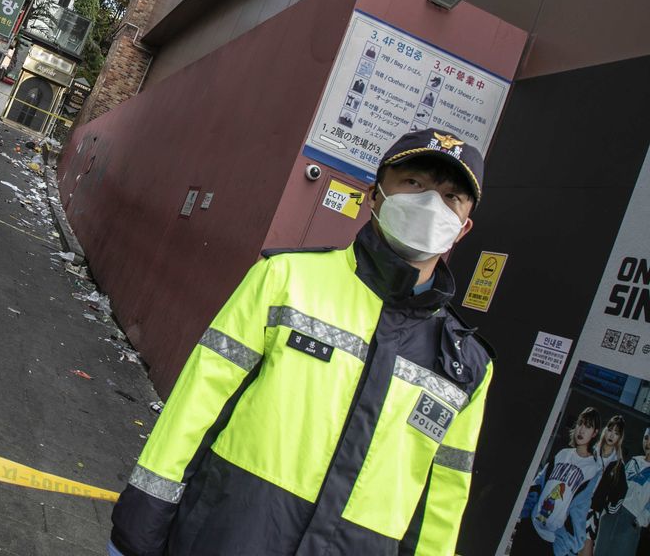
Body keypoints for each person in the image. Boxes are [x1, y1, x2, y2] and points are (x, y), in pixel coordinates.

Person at [108, 129, 493, 555]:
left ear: (463, 228)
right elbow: (198, 403)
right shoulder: (286, 279)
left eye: (450, 197)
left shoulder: (466, 365)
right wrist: (140, 526)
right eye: (414, 183)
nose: (429, 205)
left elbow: (441, 504)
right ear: (375, 194)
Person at [515, 407, 604, 554]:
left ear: (594, 433)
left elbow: (579, 514)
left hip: (550, 543)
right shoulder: (562, 454)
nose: (581, 430)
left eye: (588, 427)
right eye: (580, 423)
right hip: (529, 528)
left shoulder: (592, 470)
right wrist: (524, 517)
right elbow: (538, 485)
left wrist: (559, 549)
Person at [594, 428, 650, 556]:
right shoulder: (634, 461)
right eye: (646, 438)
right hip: (611, 514)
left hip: (631, 520)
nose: (648, 443)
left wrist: (640, 521)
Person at [581, 416, 627, 556]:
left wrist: (606, 508)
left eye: (617, 433)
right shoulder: (591, 451)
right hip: (575, 505)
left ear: (620, 437)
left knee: (585, 549)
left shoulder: (618, 465)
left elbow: (621, 493)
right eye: (610, 429)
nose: (612, 435)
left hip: (592, 511)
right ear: (605, 430)